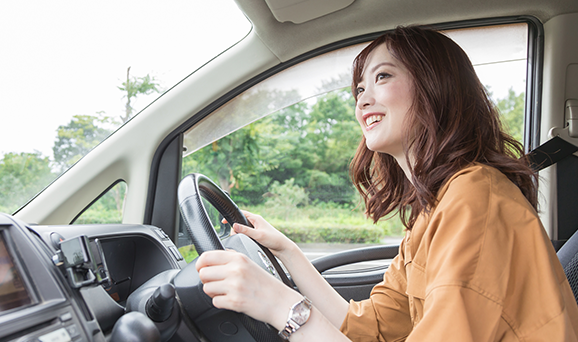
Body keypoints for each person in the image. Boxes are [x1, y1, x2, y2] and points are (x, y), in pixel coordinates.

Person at [194, 26, 578, 341]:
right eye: (359, 89)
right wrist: (287, 252)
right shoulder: (434, 209)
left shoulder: (476, 199)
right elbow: (368, 326)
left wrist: (280, 306)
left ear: (435, 86)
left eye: (382, 77)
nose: (363, 100)